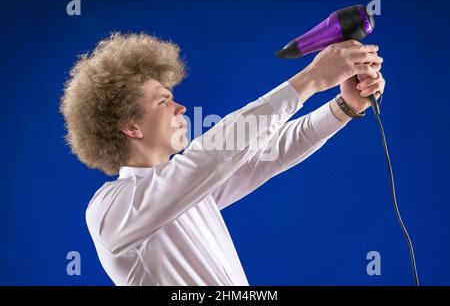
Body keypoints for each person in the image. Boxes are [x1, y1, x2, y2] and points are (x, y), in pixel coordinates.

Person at [60, 32, 385, 285]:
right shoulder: (109, 209)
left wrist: (345, 107)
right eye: (164, 101)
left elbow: (274, 150)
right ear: (131, 126)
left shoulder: (188, 193)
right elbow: (214, 155)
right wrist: (309, 80)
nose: (180, 108)